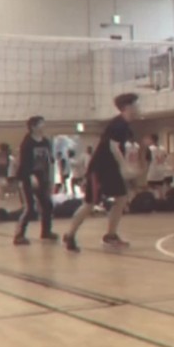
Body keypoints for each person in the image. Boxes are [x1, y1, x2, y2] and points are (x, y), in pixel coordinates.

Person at [63, 93, 140, 252]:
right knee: (90, 204)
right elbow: (113, 147)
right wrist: (125, 166)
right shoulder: (118, 124)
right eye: (136, 105)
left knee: (122, 198)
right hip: (99, 169)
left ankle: (111, 236)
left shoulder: (125, 125)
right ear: (127, 107)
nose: (138, 108)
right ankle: (70, 235)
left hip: (111, 169)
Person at [14, 117, 57, 245]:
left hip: (42, 178)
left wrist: (49, 178)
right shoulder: (27, 143)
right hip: (28, 178)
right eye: (41, 124)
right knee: (30, 208)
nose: (44, 126)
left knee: (47, 205)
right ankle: (19, 235)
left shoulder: (45, 141)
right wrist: (30, 176)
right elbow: (24, 162)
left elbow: (49, 160)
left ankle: (46, 232)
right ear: (33, 127)